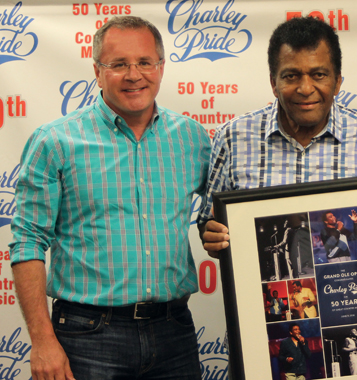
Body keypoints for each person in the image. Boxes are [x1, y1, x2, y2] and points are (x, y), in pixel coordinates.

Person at [9, 16, 211, 380]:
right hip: (87, 336)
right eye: (118, 64)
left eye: (145, 62)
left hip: (174, 331)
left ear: (161, 67)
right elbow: (27, 243)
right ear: (97, 71)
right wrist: (41, 341)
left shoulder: (192, 139)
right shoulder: (55, 142)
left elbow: (218, 213)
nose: (134, 75)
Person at [197, 16, 357, 256]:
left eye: (319, 75)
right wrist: (212, 236)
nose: (305, 89)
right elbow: (207, 222)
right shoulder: (232, 139)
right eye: (291, 76)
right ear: (274, 83)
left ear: (337, 82)